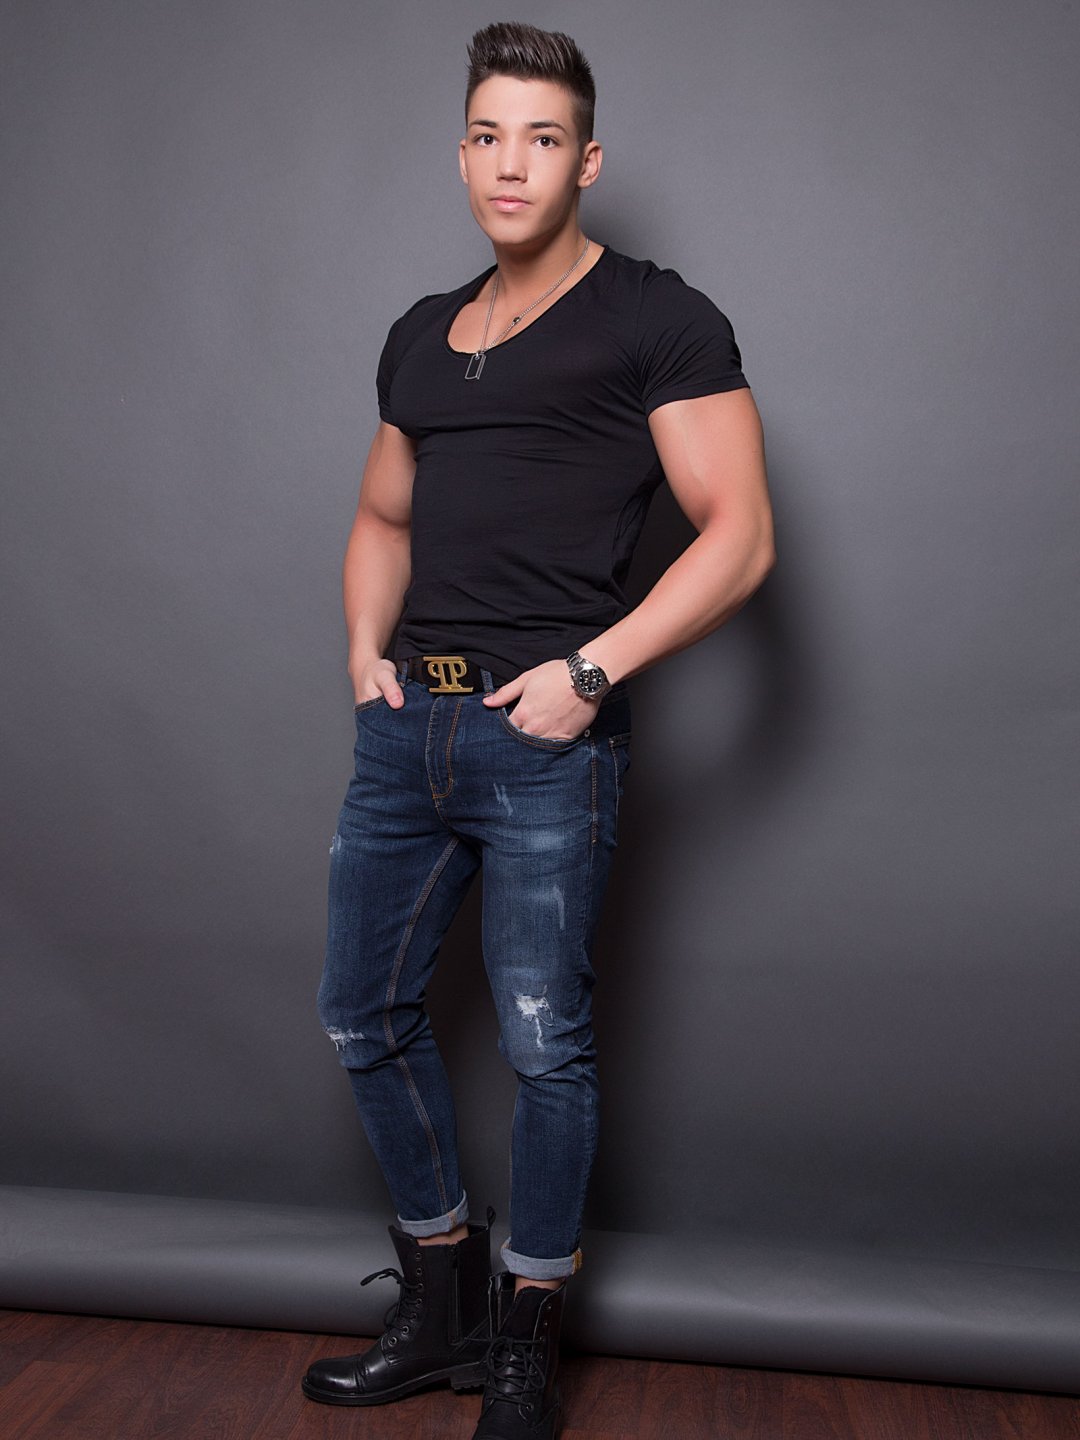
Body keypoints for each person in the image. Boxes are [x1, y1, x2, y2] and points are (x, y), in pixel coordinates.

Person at [301, 20, 774, 1440]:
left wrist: (594, 670)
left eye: (544, 138)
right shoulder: (419, 333)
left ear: (587, 162)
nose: (513, 164)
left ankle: (525, 1335)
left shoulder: (656, 318)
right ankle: (440, 1301)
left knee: (541, 1043)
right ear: (461, 156)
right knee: (363, 1015)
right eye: (490, 136)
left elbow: (740, 536)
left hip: (544, 740)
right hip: (407, 734)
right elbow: (380, 519)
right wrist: (361, 655)